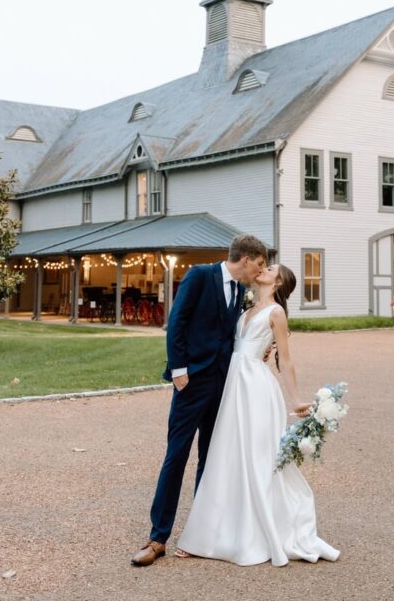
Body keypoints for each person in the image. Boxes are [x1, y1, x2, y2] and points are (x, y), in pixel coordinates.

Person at [176, 263, 340, 566]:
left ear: (277, 283)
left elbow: (286, 361)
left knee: (254, 458)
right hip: (233, 385)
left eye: (271, 268)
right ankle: (209, 534)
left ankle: (253, 533)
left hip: (255, 389)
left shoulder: (276, 313)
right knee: (225, 456)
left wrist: (296, 400)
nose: (264, 268)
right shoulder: (247, 304)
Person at [131, 233, 268, 567]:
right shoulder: (199, 275)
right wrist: (179, 369)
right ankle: (157, 537)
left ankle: (201, 533)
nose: (261, 271)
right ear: (246, 259)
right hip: (191, 382)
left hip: (223, 384)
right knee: (176, 455)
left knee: (211, 459)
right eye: (260, 264)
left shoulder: (239, 291)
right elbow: (176, 322)